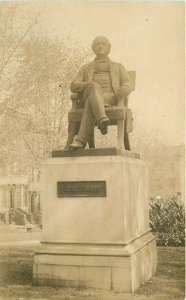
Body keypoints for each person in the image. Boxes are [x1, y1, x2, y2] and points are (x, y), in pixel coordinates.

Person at [70, 36, 133, 149]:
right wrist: (87, 85)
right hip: (90, 95)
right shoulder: (86, 67)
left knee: (90, 101)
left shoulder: (118, 66)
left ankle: (80, 141)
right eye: (97, 44)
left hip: (112, 98)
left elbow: (128, 82)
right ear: (93, 48)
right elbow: (73, 85)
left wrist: (125, 88)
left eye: (103, 44)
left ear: (109, 47)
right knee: (93, 87)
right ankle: (102, 118)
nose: (100, 46)